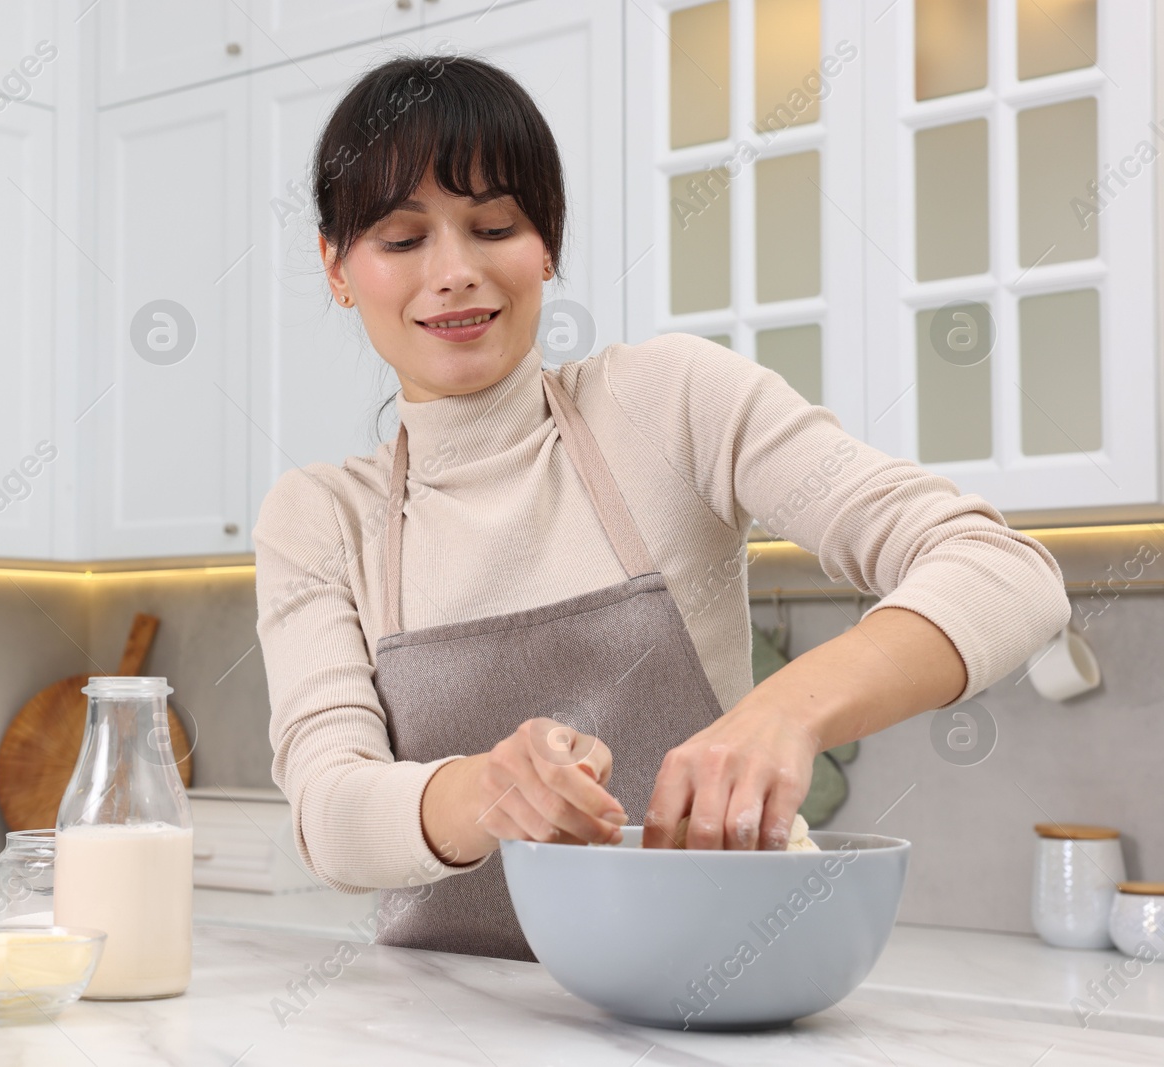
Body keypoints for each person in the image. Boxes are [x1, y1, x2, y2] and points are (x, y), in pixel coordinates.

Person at [252, 53, 1068, 962]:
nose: (455, 272)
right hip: (457, 1015)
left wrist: (784, 714)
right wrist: (491, 790)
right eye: (402, 241)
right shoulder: (320, 517)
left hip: (728, 984)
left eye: (494, 226)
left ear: (547, 245)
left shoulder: (668, 401)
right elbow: (329, 813)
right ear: (336, 267)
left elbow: (1004, 571)